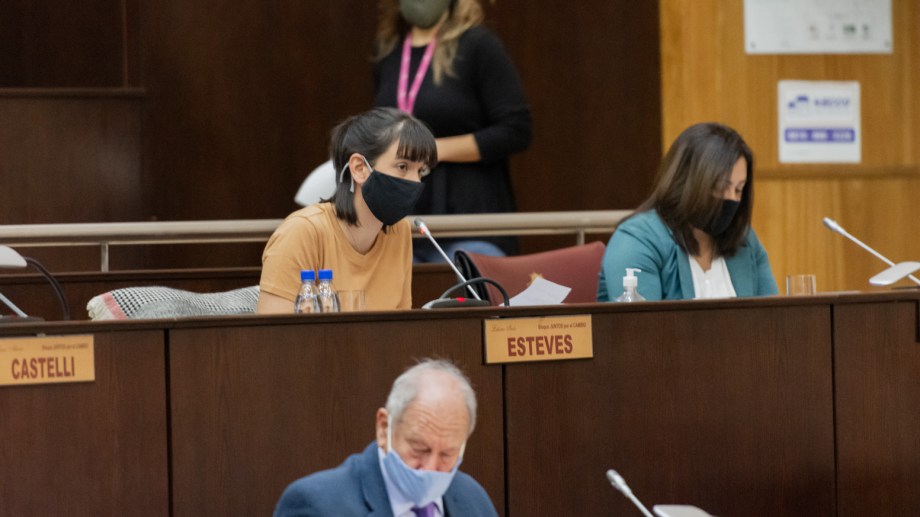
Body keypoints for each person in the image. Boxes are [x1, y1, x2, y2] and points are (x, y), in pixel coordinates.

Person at [373, 0, 532, 262]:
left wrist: (433, 149)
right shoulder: (389, 51)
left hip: (470, 224)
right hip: (402, 226)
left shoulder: (478, 45)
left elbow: (517, 130)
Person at [257, 107, 437, 313]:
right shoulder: (302, 231)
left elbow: (399, 326)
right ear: (359, 168)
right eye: (403, 167)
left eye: (421, 170)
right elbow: (274, 330)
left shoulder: (400, 231)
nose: (416, 182)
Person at [273, 358, 499, 517]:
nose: (430, 468)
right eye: (419, 448)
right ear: (383, 428)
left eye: (447, 454)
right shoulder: (316, 505)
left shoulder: (473, 500)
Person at [597, 122, 778, 301]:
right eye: (720, 187)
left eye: (739, 190)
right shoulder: (637, 240)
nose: (731, 198)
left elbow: (772, 315)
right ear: (686, 183)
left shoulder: (744, 239)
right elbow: (642, 320)